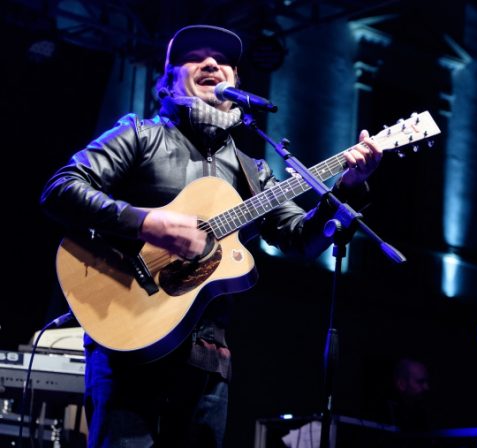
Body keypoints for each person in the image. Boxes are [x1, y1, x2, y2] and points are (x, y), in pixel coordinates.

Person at [40, 24, 382, 448]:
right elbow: (61, 189)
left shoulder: (253, 169)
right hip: (126, 345)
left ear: (236, 83)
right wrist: (146, 223)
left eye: (223, 61)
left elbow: (300, 238)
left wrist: (348, 188)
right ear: (168, 80)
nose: (210, 64)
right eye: (194, 57)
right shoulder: (140, 135)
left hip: (207, 360)